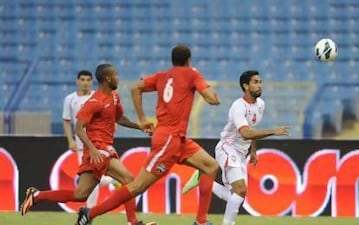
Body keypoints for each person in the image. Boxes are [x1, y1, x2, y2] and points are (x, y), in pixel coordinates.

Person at [75, 44, 221, 225]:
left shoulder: (162, 76)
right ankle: (89, 215)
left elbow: (136, 87)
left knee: (210, 166)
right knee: (136, 186)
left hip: (179, 139)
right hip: (168, 139)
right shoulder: (192, 74)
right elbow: (213, 99)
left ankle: (200, 221)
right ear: (188, 60)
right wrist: (207, 87)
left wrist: (143, 118)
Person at [20, 64, 155, 225]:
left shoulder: (114, 97)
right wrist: (92, 149)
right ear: (107, 78)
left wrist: (140, 127)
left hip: (100, 149)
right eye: (116, 75)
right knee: (129, 179)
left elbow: (119, 119)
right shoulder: (95, 101)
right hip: (98, 148)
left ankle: (36, 196)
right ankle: (132, 222)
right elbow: (78, 128)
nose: (118, 78)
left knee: (81, 195)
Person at [182, 70, 290, 225]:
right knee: (240, 190)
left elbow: (251, 128)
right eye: (255, 82)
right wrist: (273, 131)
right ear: (245, 86)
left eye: (260, 82)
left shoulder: (260, 105)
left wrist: (253, 151)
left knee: (238, 196)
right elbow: (246, 133)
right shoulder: (238, 107)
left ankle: (203, 178)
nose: (260, 85)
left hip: (241, 153)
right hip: (228, 147)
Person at [62, 69, 120, 208]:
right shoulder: (70, 99)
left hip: (97, 144)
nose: (85, 83)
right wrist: (70, 140)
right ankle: (111, 181)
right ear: (77, 81)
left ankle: (89, 210)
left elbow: (109, 113)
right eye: (82, 80)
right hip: (81, 143)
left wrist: (113, 124)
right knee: (91, 179)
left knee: (92, 178)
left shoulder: (97, 96)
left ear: (92, 82)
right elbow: (67, 120)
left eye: (88, 80)